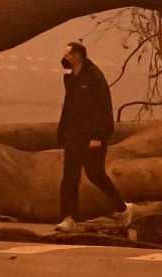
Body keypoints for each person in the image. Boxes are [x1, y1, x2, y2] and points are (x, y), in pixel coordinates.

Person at [54, 40, 131, 232]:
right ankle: (69, 218)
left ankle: (123, 208)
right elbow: (68, 106)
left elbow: (104, 108)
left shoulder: (95, 77)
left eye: (68, 55)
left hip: (92, 138)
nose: (65, 58)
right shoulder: (70, 78)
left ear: (78, 56)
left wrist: (98, 136)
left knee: (96, 175)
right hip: (73, 136)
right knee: (69, 177)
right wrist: (62, 131)